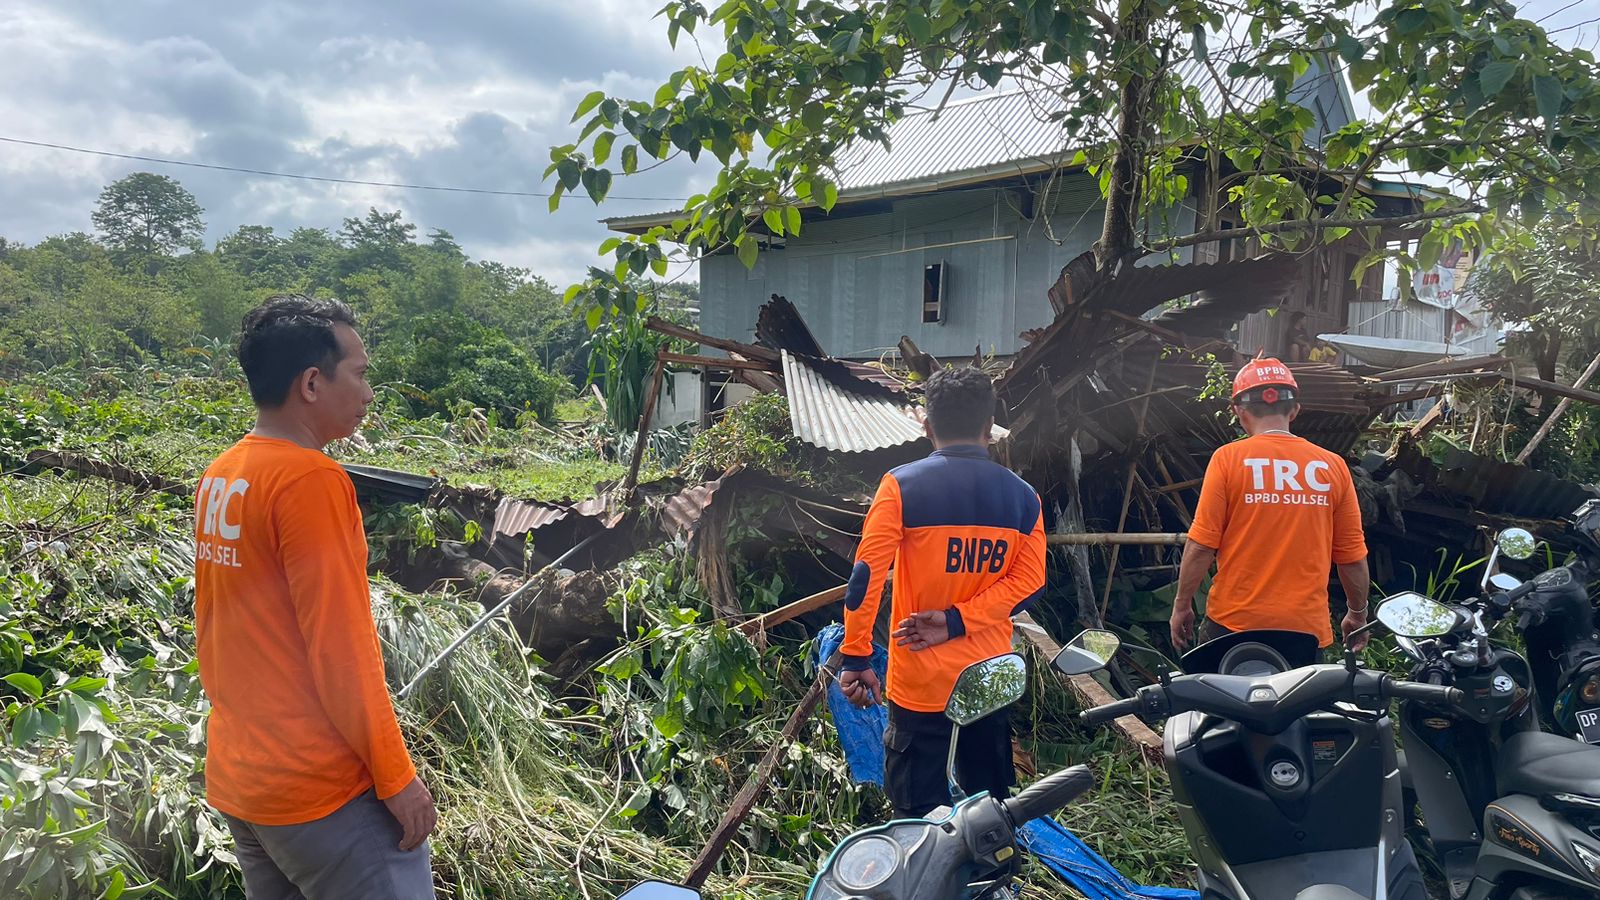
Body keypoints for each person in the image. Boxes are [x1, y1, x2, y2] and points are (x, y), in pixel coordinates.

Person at [194, 295, 436, 900]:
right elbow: (343, 654)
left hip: (244, 782)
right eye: (360, 372)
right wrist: (397, 777)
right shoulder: (311, 480)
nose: (369, 391)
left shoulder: (224, 473)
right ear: (310, 382)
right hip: (319, 793)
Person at [837, 366, 1047, 819]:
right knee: (989, 814)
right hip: (989, 679)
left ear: (927, 426)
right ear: (990, 430)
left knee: (916, 818)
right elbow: (1029, 583)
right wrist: (958, 621)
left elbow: (866, 576)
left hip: (920, 679)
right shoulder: (1024, 498)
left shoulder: (900, 486)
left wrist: (856, 656)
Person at [1168, 357, 1371, 668]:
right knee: (1300, 715)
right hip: (1303, 633)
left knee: (1215, 713)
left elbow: (1201, 546)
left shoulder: (1228, 460)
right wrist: (1357, 613)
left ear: (1239, 411)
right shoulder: (1332, 466)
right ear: (1294, 410)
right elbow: (1352, 556)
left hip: (1232, 625)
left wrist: (1182, 605)